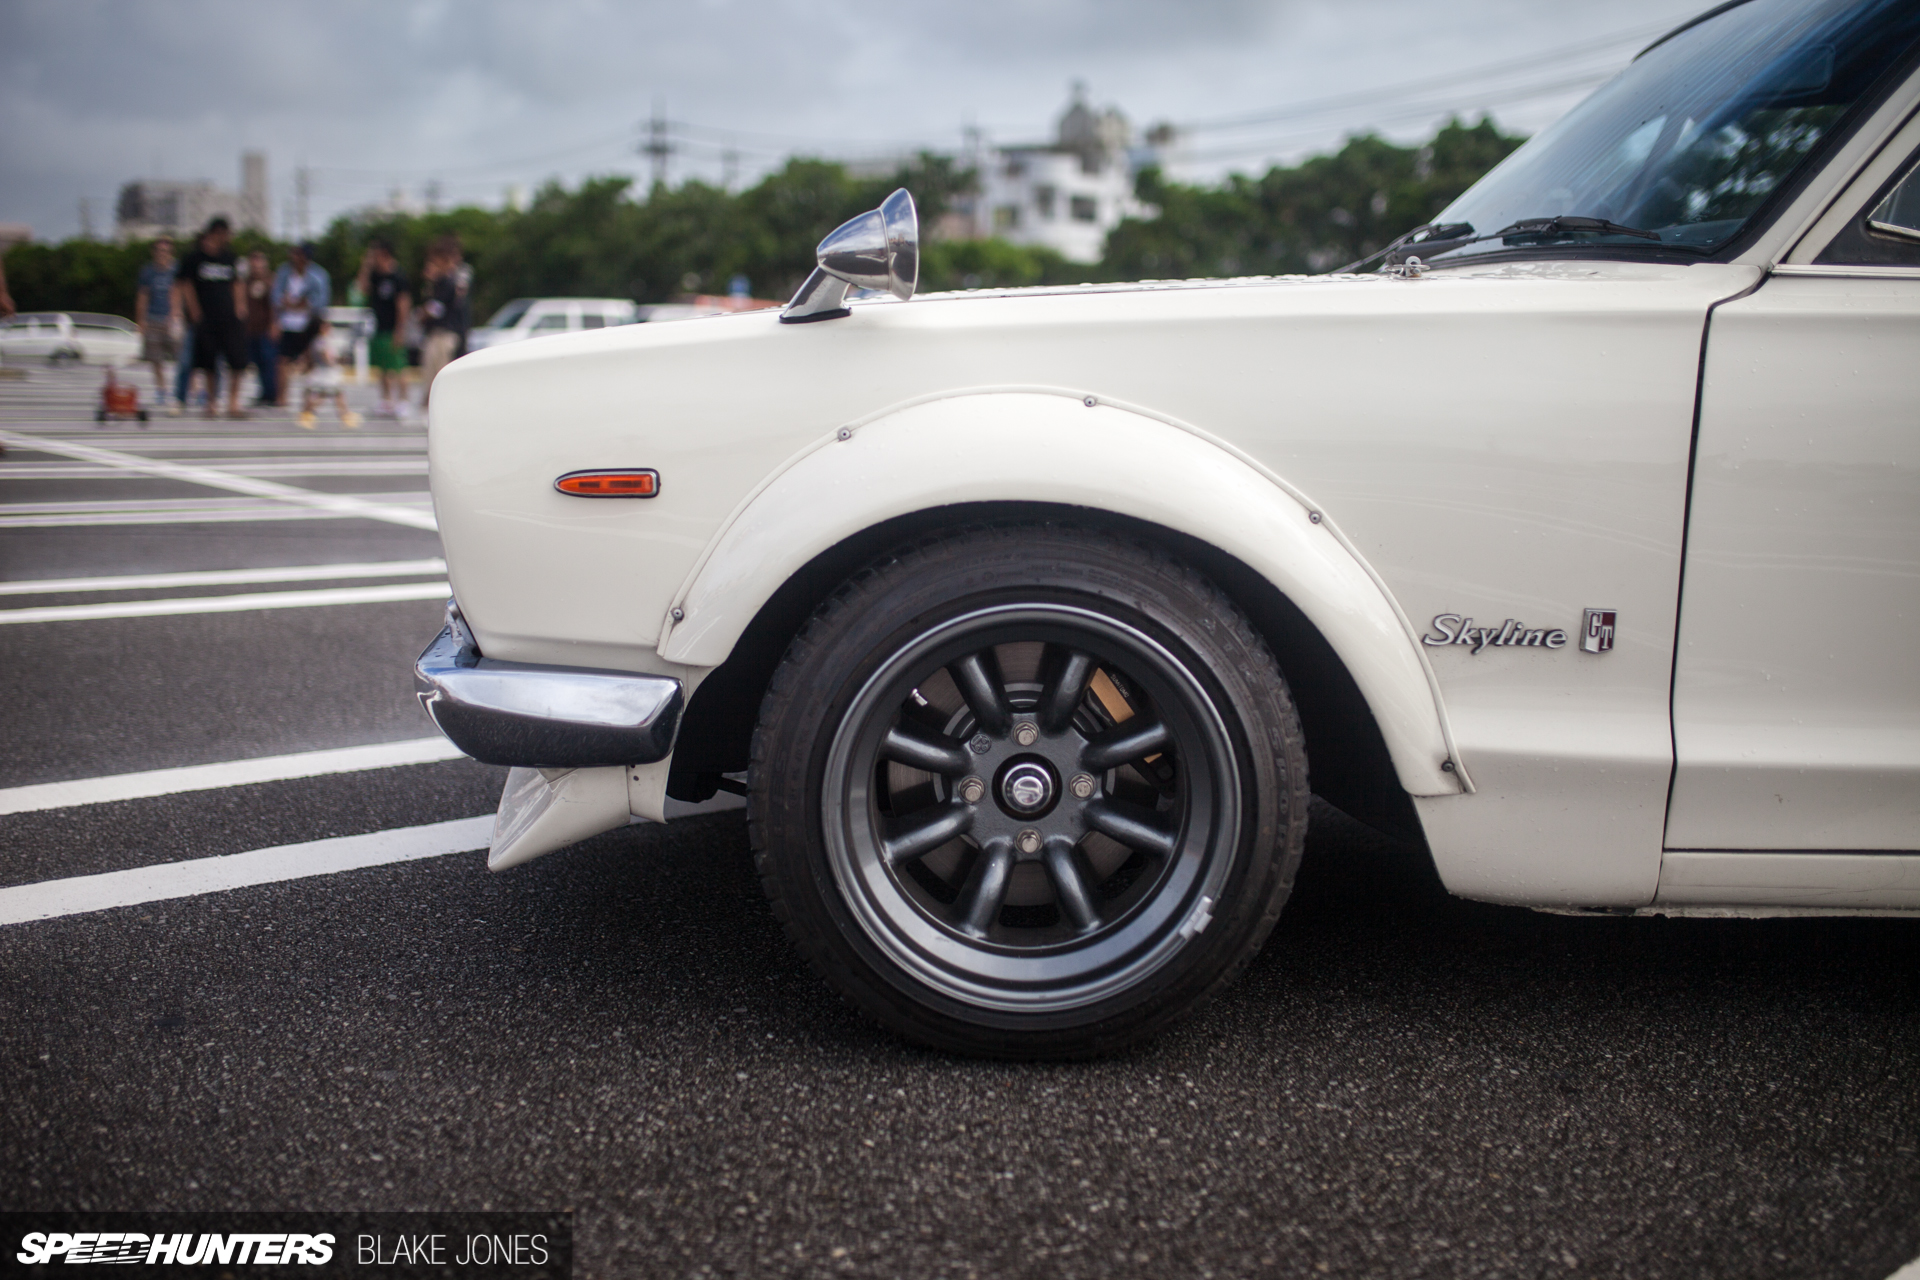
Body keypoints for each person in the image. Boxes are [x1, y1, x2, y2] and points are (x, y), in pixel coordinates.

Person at [175, 217, 247, 419]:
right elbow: (185, 284)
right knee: (209, 362)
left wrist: (240, 306)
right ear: (216, 233)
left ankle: (233, 402)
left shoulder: (230, 258)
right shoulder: (195, 258)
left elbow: (238, 283)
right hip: (206, 318)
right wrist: (193, 309)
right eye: (225, 234)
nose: (228, 238)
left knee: (237, 360)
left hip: (229, 317)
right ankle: (212, 403)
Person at [272, 241, 329, 407]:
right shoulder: (284, 272)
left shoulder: (319, 275)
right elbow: (276, 299)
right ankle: (281, 398)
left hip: (308, 324)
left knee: (310, 361)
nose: (293, 256)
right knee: (282, 360)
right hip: (287, 323)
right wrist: (295, 305)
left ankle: (309, 398)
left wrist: (294, 304)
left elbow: (319, 303)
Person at [356, 238, 409, 416]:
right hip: (378, 326)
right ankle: (386, 400)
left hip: (393, 328)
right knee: (383, 367)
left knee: (398, 366)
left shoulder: (398, 276)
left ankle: (403, 400)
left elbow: (403, 304)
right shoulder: (375, 275)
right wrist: (366, 265)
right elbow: (361, 288)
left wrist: (400, 330)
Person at [417, 234, 470, 411]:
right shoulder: (443, 281)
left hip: (445, 333)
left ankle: (441, 408)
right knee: (433, 372)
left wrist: (422, 314)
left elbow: (435, 309)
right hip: (440, 333)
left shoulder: (451, 280)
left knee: (440, 373)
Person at [133, 237, 179, 404]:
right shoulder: (148, 272)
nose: (162, 254)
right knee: (156, 359)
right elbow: (142, 296)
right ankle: (161, 390)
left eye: (165, 251)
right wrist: (141, 321)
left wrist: (176, 314)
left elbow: (180, 292)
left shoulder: (177, 269)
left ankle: (193, 389)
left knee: (183, 356)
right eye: (159, 250)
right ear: (154, 252)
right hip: (153, 318)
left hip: (172, 320)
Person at [297, 318, 361, 430]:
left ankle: (344, 415)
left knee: (333, 395)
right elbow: (326, 357)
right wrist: (339, 360)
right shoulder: (321, 341)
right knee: (330, 395)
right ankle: (308, 414)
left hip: (325, 373)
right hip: (325, 374)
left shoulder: (322, 340)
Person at [242, 249, 277, 406]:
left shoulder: (270, 281)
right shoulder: (246, 281)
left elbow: (275, 306)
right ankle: (264, 393)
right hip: (250, 329)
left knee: (268, 362)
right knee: (256, 363)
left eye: (259, 261)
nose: (255, 265)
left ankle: (272, 394)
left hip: (265, 329)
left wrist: (274, 325)